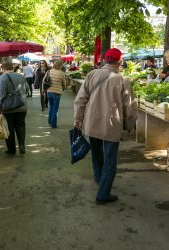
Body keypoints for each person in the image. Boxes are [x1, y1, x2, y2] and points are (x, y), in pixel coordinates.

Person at [74, 48, 137, 205]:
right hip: (111, 124)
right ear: (119, 62)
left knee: (96, 153)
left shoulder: (92, 74)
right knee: (110, 159)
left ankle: (98, 177)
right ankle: (103, 194)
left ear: (105, 60)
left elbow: (81, 98)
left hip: (92, 122)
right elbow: (130, 107)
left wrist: (78, 118)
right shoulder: (123, 80)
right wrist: (130, 125)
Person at [0, 60, 29, 155]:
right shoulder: (21, 76)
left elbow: (1, 94)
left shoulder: (3, 78)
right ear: (12, 68)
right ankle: (22, 145)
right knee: (21, 126)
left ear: (3, 69)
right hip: (22, 106)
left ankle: (11, 149)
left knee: (9, 128)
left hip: (9, 108)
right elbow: (26, 89)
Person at [46, 60, 66, 128]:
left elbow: (44, 80)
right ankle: (53, 124)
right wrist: (63, 87)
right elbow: (64, 84)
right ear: (60, 65)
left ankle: (49, 121)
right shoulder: (62, 73)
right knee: (55, 109)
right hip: (57, 93)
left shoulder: (49, 71)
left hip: (49, 92)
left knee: (51, 107)